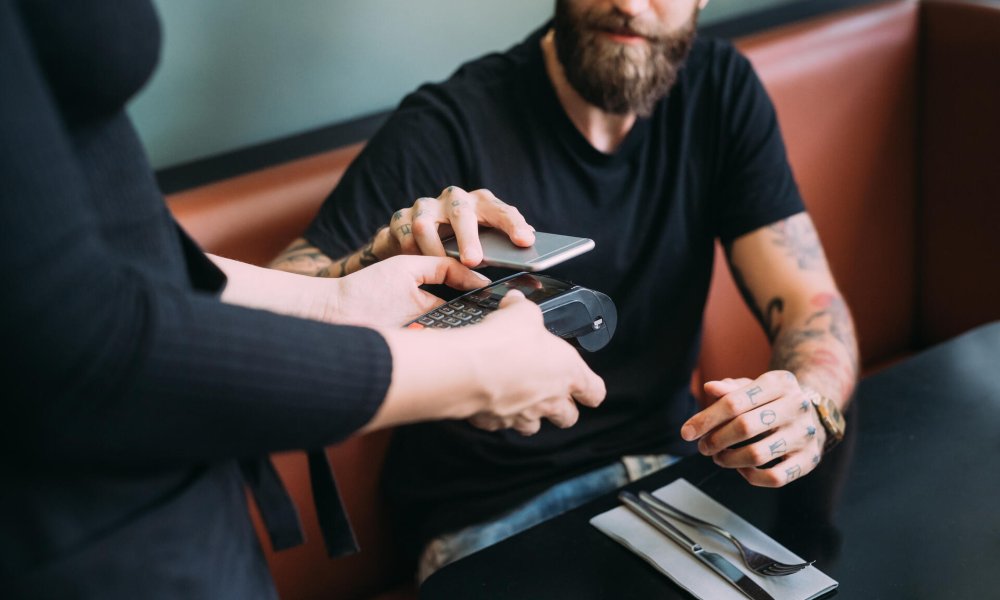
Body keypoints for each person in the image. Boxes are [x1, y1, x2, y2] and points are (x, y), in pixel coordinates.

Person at [0, 1, 607, 598]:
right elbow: (75, 336)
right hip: (80, 540)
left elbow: (106, 266)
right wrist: (471, 369)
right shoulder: (450, 117)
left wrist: (332, 303)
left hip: (178, 512)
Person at [270, 0, 860, 583]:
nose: (628, 4)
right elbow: (267, 315)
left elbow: (811, 304)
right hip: (491, 515)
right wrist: (378, 258)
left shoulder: (719, 88)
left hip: (670, 476)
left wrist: (811, 405)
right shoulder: (448, 122)